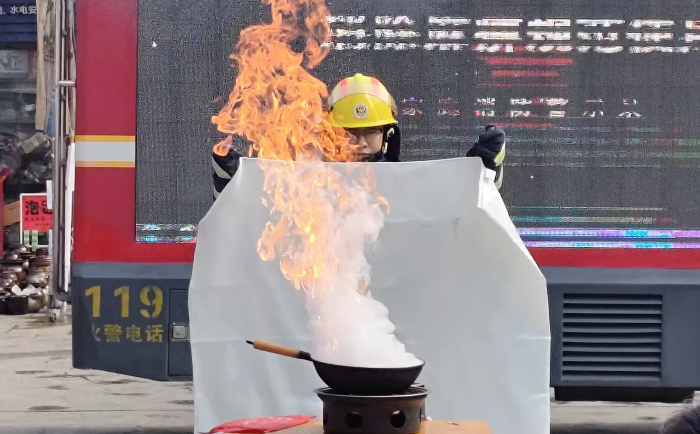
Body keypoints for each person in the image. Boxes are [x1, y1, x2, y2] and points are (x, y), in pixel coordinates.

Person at [213, 73, 506, 198]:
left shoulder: (410, 185)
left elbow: (469, 212)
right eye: (350, 133)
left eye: (371, 131)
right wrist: (234, 179)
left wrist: (483, 167)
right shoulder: (304, 186)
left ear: (388, 134)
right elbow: (249, 221)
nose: (361, 142)